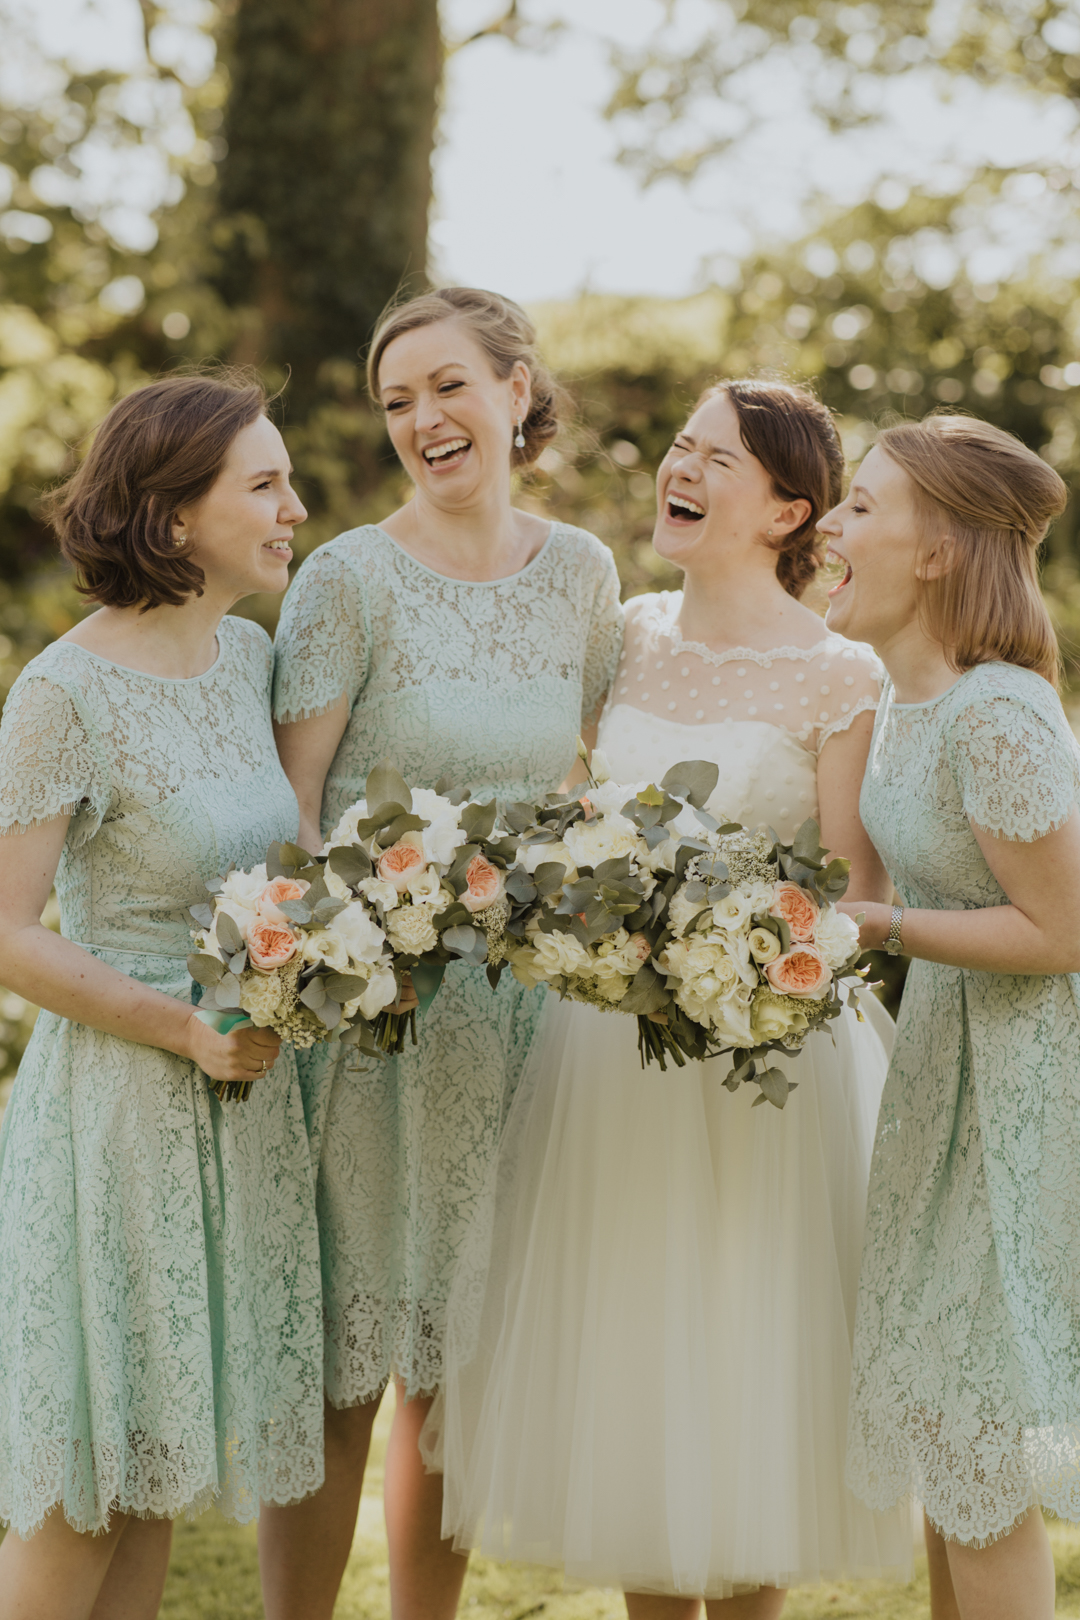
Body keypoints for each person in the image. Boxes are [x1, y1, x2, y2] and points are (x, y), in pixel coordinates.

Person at [428, 379, 914, 1617]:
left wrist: (747, 961)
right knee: (636, 1383)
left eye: (715, 459)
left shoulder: (843, 674)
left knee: (749, 1378)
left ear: (789, 508)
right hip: (607, 1061)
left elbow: (859, 884)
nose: (678, 470)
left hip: (773, 1066)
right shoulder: (626, 634)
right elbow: (574, 815)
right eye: (680, 448)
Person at [264, 286, 624, 1620]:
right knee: (342, 1366)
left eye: (447, 388)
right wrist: (344, 948)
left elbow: (588, 786)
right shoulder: (346, 577)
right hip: (367, 1022)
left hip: (518, 1021)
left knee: (455, 1364)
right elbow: (290, 814)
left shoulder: (585, 572)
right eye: (396, 400)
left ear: (519, 391)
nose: (423, 420)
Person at [0, 372, 324, 1620]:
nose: (294, 506)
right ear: (174, 515)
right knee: (82, 1500)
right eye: (265, 484)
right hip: (120, 1112)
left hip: (229, 1110)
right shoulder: (62, 695)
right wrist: (181, 1028)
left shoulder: (247, 656)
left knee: (149, 1489)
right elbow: (11, 932)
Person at [821, 413, 1079, 1620]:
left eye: (863, 506)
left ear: (937, 551)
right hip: (949, 1072)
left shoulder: (996, 712)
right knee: (943, 1421)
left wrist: (885, 931)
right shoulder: (902, 696)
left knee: (975, 1431)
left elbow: (1064, 933)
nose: (833, 522)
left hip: (1032, 1090)